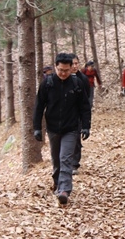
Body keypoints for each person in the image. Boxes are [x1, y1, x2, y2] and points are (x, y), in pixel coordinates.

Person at [33, 52, 91, 206]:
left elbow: (85, 107)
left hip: (71, 128)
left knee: (66, 158)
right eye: (60, 70)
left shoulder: (77, 83)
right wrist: (37, 128)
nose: (63, 73)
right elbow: (39, 107)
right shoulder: (48, 83)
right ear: (55, 67)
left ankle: (64, 190)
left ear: (72, 68)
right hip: (53, 128)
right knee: (57, 160)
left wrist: (86, 126)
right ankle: (58, 183)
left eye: (66, 70)